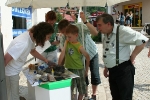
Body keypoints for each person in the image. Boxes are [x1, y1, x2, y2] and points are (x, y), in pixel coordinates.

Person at [95, 13, 149, 100]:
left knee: (125, 98)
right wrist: (106, 67)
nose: (98, 28)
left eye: (99, 25)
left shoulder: (122, 31)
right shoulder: (106, 33)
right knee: (116, 97)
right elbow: (108, 51)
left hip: (123, 70)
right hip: (113, 71)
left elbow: (143, 40)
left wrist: (133, 56)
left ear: (108, 24)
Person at [4, 22, 54, 100]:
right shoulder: (23, 43)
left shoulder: (30, 37)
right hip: (10, 73)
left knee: (14, 95)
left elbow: (33, 51)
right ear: (42, 34)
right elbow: (5, 59)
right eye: (48, 37)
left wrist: (45, 60)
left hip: (14, 71)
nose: (48, 39)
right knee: (12, 97)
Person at [58, 12, 101, 100]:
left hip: (92, 52)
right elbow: (64, 54)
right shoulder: (64, 37)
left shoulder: (80, 26)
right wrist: (59, 67)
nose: (64, 35)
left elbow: (95, 33)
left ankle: (94, 95)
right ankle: (85, 95)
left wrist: (85, 21)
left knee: (95, 75)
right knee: (83, 78)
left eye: (65, 32)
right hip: (80, 58)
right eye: (62, 33)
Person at [58, 24, 90, 100]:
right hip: (69, 69)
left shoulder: (79, 46)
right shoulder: (67, 42)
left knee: (81, 89)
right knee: (71, 90)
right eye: (67, 36)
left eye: (69, 37)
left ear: (76, 35)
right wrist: (59, 65)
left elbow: (88, 57)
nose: (68, 38)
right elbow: (62, 54)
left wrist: (86, 70)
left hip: (79, 70)